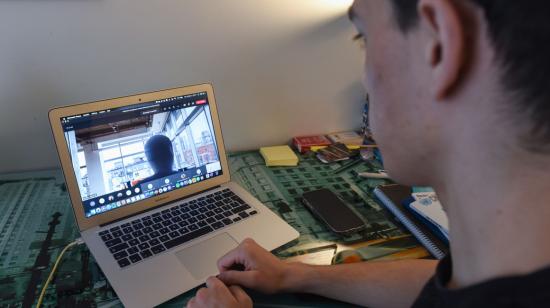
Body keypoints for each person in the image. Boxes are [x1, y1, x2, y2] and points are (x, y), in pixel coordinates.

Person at [187, 0, 550, 307]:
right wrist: (292, 275)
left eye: (365, 37)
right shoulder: (496, 265)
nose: (364, 80)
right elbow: (441, 280)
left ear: (437, 46)